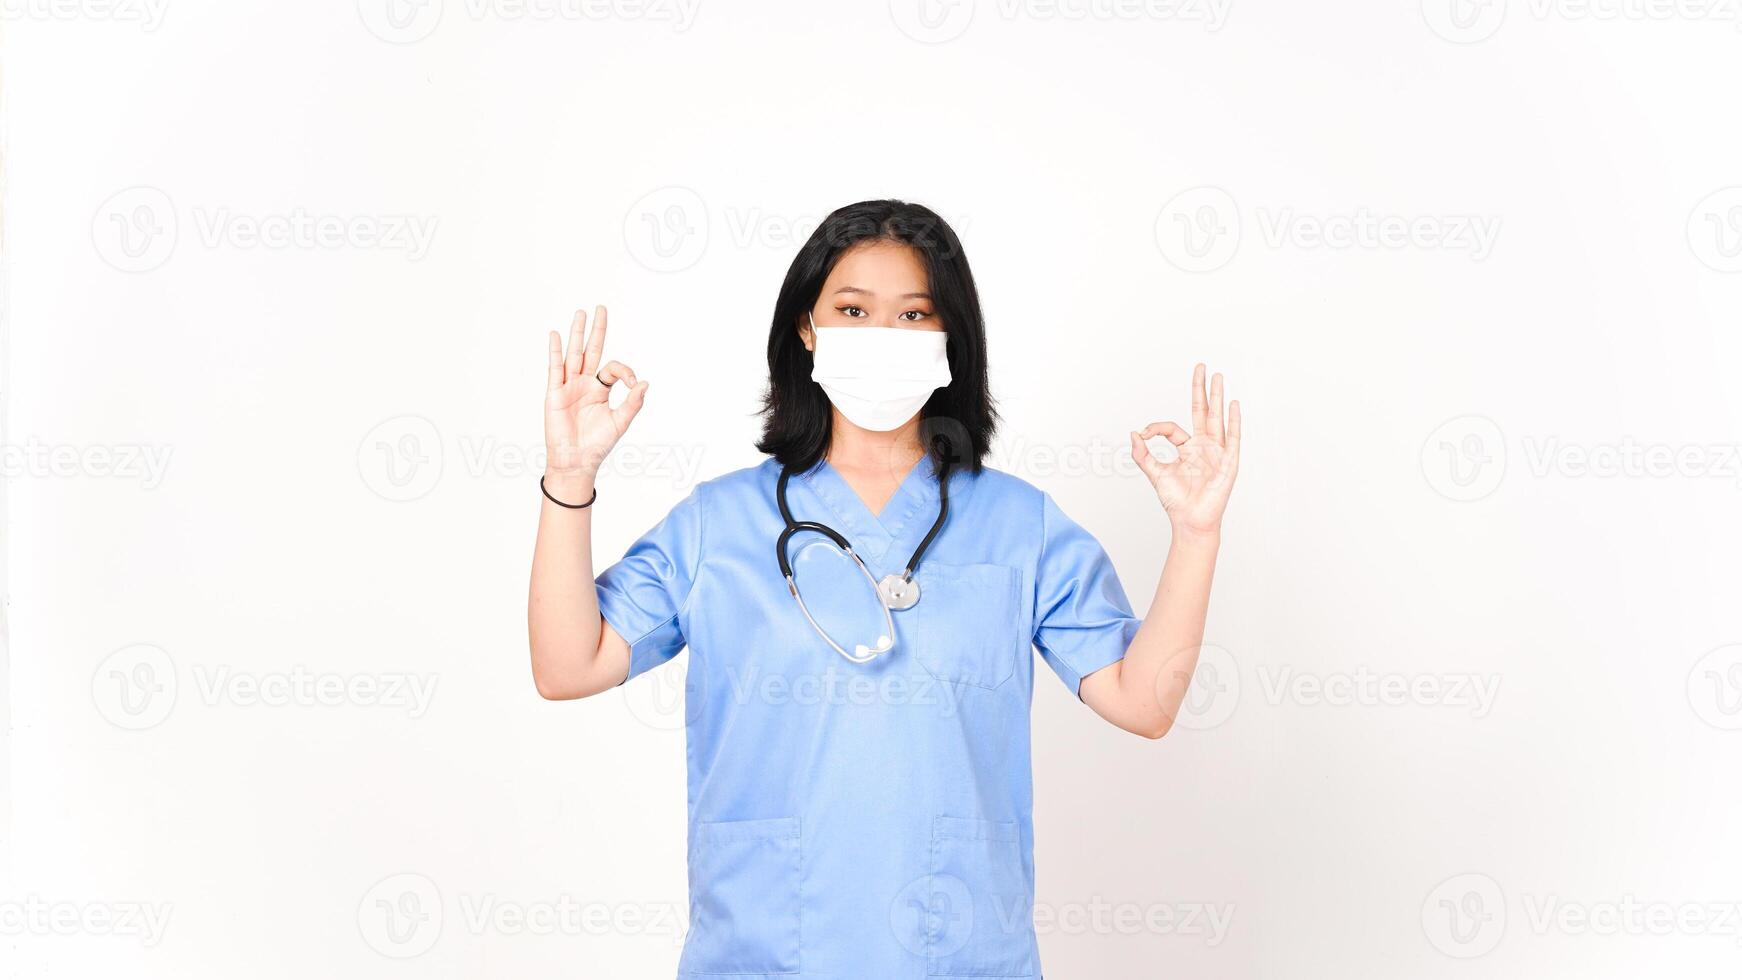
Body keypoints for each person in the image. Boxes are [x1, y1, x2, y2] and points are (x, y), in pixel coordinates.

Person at [527, 199, 1240, 979]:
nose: (882, 335)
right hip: (765, 950)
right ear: (807, 327)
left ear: (948, 340)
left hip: (960, 955)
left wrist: (1196, 533)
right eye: (853, 310)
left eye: (913, 314)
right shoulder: (718, 524)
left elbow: (1145, 702)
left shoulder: (1019, 526)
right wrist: (570, 479)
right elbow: (568, 667)